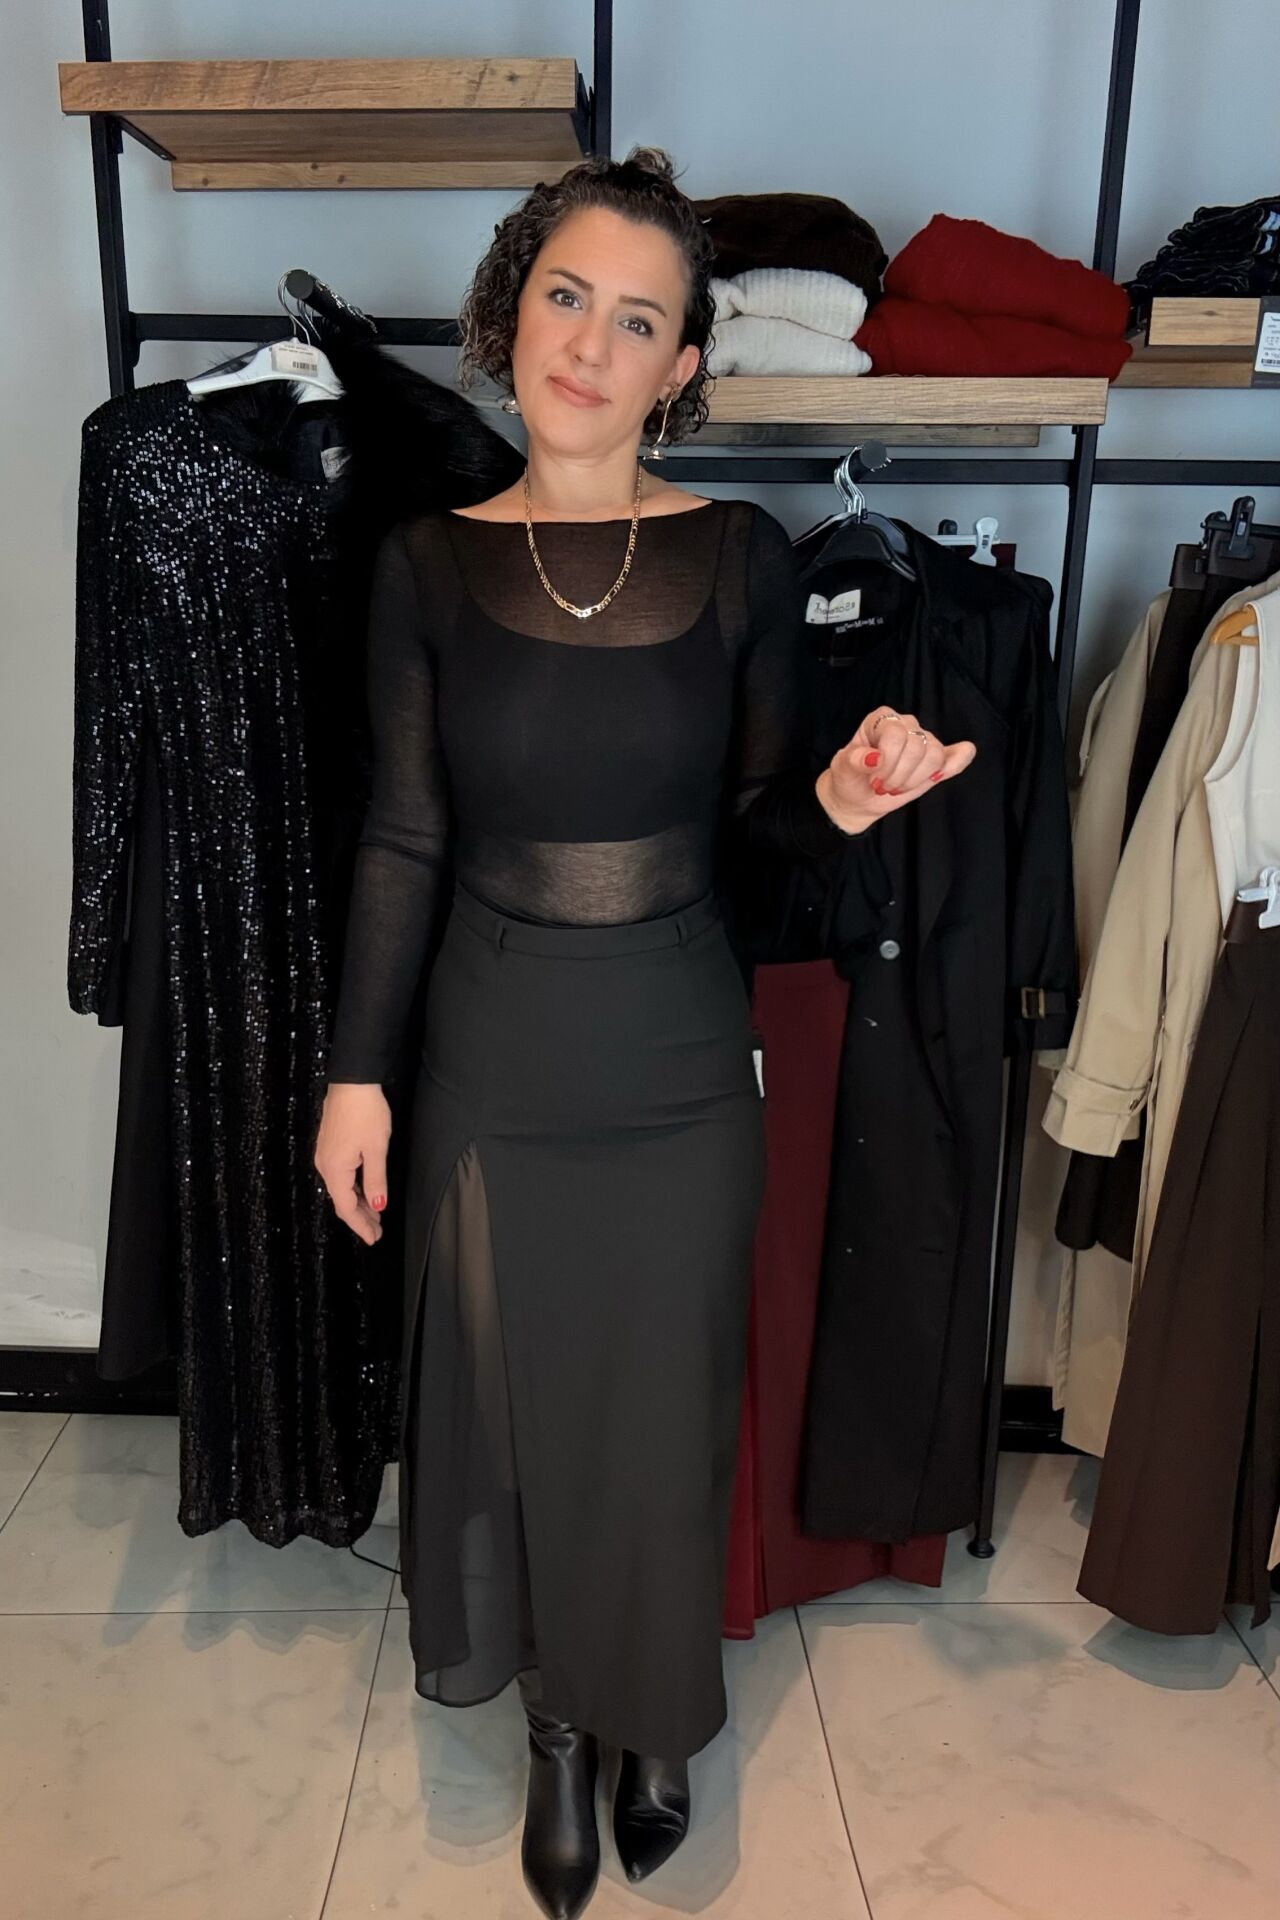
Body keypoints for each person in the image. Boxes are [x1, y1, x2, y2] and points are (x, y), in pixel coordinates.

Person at [314, 145, 976, 1920]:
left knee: (662, 1414)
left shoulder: (740, 559)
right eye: (564, 297)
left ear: (682, 363)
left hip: (678, 1057)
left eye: (635, 320)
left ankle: (655, 1714)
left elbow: (756, 843)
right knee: (513, 1407)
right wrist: (355, 1076)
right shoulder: (421, 566)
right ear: (509, 309)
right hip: (488, 1056)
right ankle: (555, 1721)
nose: (588, 346)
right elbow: (401, 839)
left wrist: (837, 802)